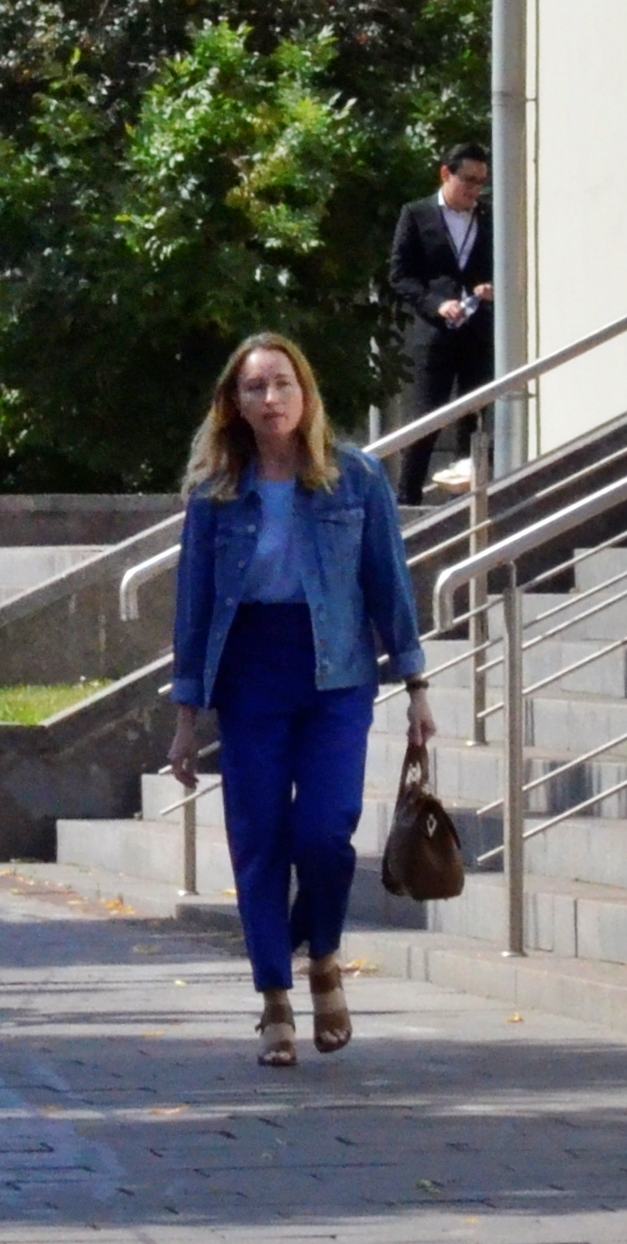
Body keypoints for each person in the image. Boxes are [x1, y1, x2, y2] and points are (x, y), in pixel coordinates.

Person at [165, 333, 430, 1069]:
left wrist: (416, 686)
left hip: (336, 674)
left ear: (305, 393)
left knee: (323, 832)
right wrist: (186, 719)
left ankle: (324, 957)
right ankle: (275, 999)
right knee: (258, 839)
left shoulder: (356, 479)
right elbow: (193, 609)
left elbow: (389, 586)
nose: (270, 400)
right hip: (251, 672)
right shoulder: (216, 495)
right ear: (235, 404)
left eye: (282, 384)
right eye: (255, 388)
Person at [387, 145, 497, 500]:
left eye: (481, 183)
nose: (474, 191)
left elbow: (505, 265)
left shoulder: (490, 218)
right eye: (468, 181)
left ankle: (470, 499)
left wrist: (490, 287)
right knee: (426, 417)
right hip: (435, 333)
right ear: (446, 175)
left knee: (476, 416)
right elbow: (400, 276)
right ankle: (407, 499)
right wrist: (436, 305)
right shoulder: (417, 214)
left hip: (478, 330)